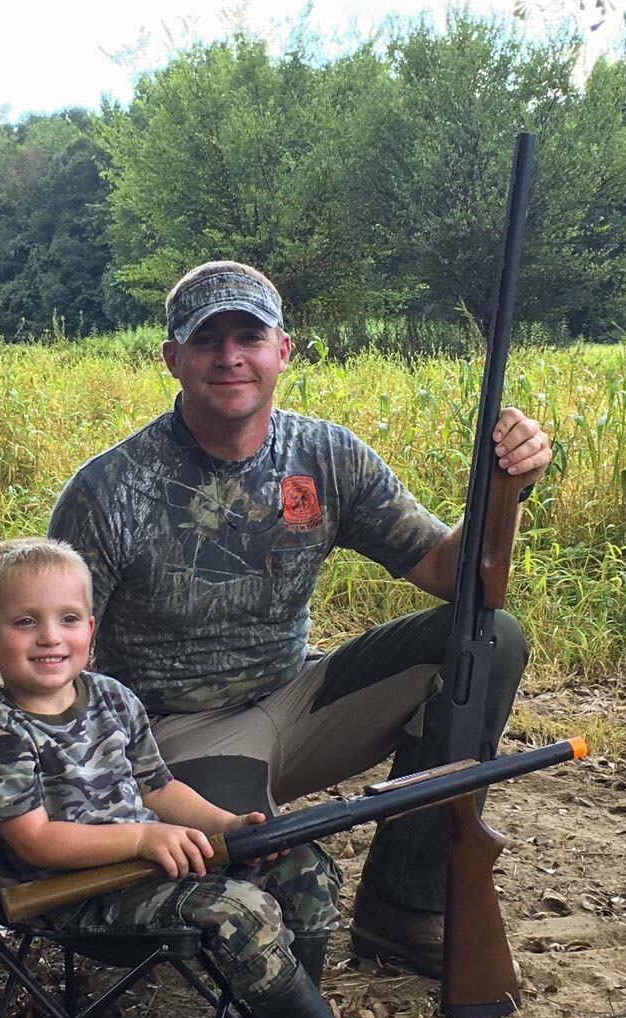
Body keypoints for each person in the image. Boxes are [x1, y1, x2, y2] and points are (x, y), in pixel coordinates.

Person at [48, 260, 553, 978]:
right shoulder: (108, 489)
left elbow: (449, 573)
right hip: (173, 742)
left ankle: (401, 906)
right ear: (172, 359)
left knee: (486, 641)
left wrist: (506, 488)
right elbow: (55, 667)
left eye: (248, 336)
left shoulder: (326, 455)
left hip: (297, 700)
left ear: (282, 350)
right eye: (206, 339)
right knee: (271, 894)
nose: (229, 357)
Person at [0, 535, 430, 1018]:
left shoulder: (113, 700)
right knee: (241, 909)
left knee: (305, 869)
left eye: (67, 619)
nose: (51, 637)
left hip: (150, 863)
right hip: (74, 893)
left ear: (91, 629)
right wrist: (139, 840)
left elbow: (159, 790)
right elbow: (34, 843)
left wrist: (228, 825)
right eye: (26, 622)